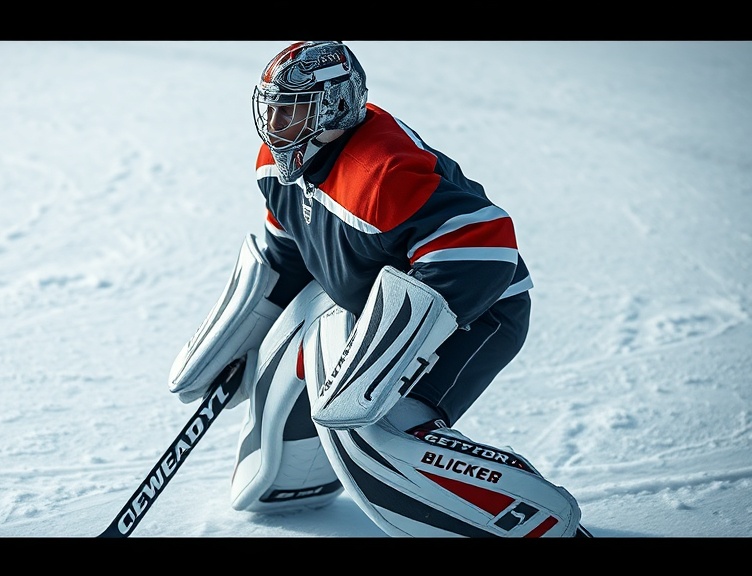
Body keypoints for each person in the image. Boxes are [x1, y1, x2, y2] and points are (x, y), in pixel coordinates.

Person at [167, 41, 584, 537]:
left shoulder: (381, 170)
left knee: (378, 438)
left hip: (477, 314)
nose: (275, 126)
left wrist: (375, 366)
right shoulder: (274, 164)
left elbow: (484, 252)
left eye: (292, 111)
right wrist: (243, 341)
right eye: (271, 109)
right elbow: (289, 253)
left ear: (335, 107)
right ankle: (293, 482)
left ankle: (539, 521)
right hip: (363, 303)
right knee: (284, 409)